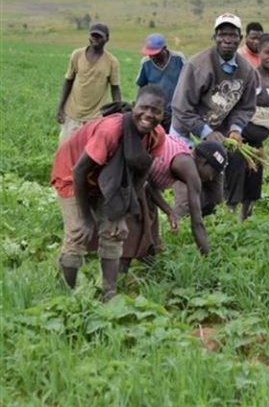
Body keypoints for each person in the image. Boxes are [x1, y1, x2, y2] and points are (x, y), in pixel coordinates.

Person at [50, 85, 166, 300]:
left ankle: (109, 294)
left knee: (114, 232)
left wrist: (121, 215)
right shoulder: (110, 131)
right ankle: (67, 296)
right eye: (144, 107)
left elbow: (139, 177)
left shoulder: (157, 136)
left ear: (163, 114)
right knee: (77, 233)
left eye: (156, 111)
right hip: (72, 174)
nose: (149, 115)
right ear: (133, 107)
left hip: (111, 180)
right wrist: (86, 219)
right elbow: (79, 172)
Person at [121, 138, 227, 271]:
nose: (212, 178)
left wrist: (169, 211)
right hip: (125, 178)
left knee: (149, 233)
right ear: (204, 162)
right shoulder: (189, 170)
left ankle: (148, 272)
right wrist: (210, 260)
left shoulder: (184, 156)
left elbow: (148, 184)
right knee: (133, 231)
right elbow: (197, 224)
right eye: (213, 172)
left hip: (137, 180)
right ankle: (117, 279)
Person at [170, 13, 257, 147]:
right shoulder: (196, 66)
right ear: (215, 37)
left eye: (232, 35)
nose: (227, 40)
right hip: (185, 132)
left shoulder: (247, 71)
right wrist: (206, 132)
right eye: (222, 35)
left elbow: (245, 107)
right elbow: (181, 108)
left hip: (217, 133)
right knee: (184, 166)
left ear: (240, 39)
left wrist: (235, 128)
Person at [226, 33, 269, 220]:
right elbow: (236, 104)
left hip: (258, 144)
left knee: (253, 184)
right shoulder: (253, 77)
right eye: (268, 52)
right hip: (242, 140)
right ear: (259, 52)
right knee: (236, 182)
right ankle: (228, 222)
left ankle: (246, 220)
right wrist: (236, 132)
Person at [55, 22, 121, 142]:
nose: (95, 39)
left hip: (95, 117)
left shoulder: (112, 62)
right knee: (66, 149)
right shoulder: (77, 55)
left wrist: (119, 113)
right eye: (93, 36)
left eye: (100, 36)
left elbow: (115, 88)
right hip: (72, 113)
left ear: (107, 39)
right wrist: (60, 107)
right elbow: (68, 81)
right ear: (89, 37)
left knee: (88, 154)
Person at [136, 33, 186, 132]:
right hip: (155, 110)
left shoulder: (178, 59)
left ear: (165, 48)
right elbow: (142, 87)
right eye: (150, 54)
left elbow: (188, 84)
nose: (152, 57)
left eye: (156, 54)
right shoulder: (146, 63)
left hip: (176, 110)